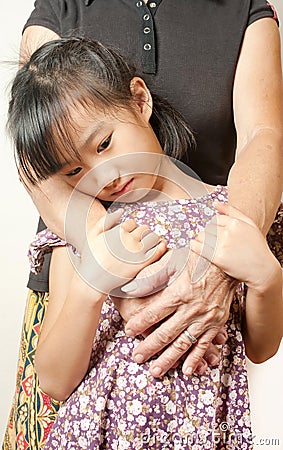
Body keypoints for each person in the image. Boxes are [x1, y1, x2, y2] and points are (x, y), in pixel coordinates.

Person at [3, 1, 283, 449]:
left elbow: (260, 345)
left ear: (140, 100)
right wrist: (94, 281)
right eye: (74, 171)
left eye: (106, 144)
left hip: (201, 431)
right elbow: (53, 381)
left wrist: (267, 277)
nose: (103, 175)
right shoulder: (80, 235)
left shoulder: (224, 218)